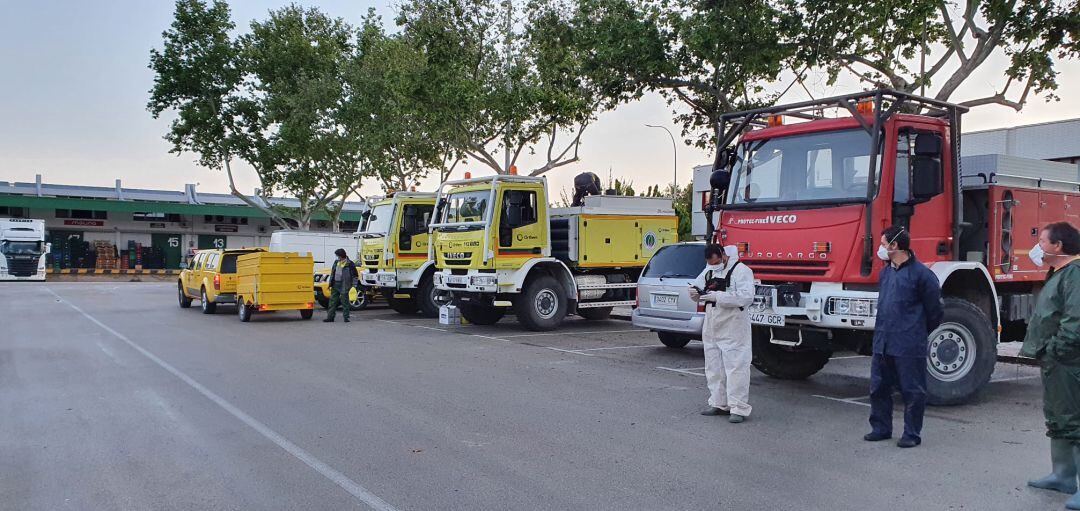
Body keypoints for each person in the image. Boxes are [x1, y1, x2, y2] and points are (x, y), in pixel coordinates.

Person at [864, 225, 943, 448]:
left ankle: (911, 433)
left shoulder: (922, 275)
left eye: (883, 244)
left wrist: (916, 332)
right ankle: (880, 427)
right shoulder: (886, 272)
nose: (880, 248)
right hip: (883, 341)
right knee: (878, 387)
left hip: (909, 343)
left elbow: (935, 311)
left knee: (912, 389)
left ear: (894, 245)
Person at [1022, 222, 1080, 509]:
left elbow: (1075, 321)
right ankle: (1063, 476)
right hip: (1056, 361)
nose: (1038, 247)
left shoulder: (1075, 275)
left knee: (1074, 421)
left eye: (1043, 242)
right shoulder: (1059, 272)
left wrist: (1055, 350)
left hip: (1068, 361)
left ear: (1058, 246)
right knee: (1058, 418)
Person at [689, 244, 755, 423]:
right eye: (710, 263)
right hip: (712, 324)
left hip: (733, 324)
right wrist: (694, 293)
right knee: (713, 366)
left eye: (716, 261)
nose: (714, 265)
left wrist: (717, 296)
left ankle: (738, 408)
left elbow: (746, 297)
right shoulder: (709, 270)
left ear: (723, 255)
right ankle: (718, 403)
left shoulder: (742, 271)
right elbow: (698, 285)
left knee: (736, 366)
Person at [324, 248, 358, 323]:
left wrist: (354, 285)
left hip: (344, 285)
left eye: (338, 255)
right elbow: (333, 273)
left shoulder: (350, 264)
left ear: (341, 255)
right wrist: (330, 284)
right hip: (335, 284)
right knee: (332, 301)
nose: (337, 257)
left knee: (344, 301)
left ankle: (346, 317)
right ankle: (330, 317)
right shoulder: (336, 262)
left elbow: (355, 276)